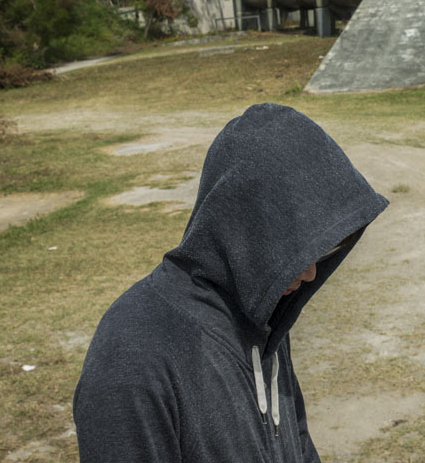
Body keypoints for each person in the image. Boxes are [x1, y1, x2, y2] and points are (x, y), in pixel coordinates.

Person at [73, 103, 389, 462]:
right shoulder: (133, 358)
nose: (311, 273)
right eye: (298, 251)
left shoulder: (260, 313)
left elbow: (297, 442)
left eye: (323, 251)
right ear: (243, 228)